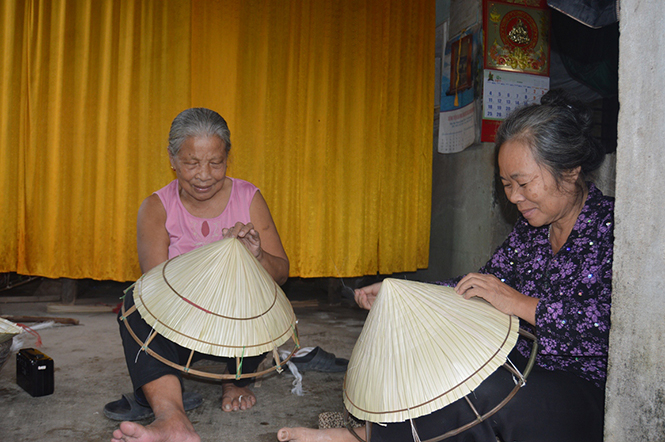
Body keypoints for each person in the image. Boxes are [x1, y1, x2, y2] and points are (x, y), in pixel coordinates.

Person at [277, 89, 613, 442]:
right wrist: (407, 293)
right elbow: (480, 286)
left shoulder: (615, 232)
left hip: (580, 388)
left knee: (487, 386)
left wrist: (519, 304)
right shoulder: (530, 232)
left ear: (571, 171)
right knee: (443, 359)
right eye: (506, 185)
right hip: (521, 361)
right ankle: (373, 434)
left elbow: (610, 327)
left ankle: (362, 437)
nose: (514, 197)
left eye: (523, 183)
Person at [105, 107, 289, 442]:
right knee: (133, 303)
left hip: (234, 333)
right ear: (172, 159)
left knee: (258, 296)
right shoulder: (156, 208)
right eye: (191, 162)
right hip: (178, 334)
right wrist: (212, 259)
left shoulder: (248, 197)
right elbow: (157, 293)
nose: (204, 175)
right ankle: (172, 417)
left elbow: (282, 273)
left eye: (215, 162)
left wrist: (257, 256)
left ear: (227, 159)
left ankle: (235, 380)